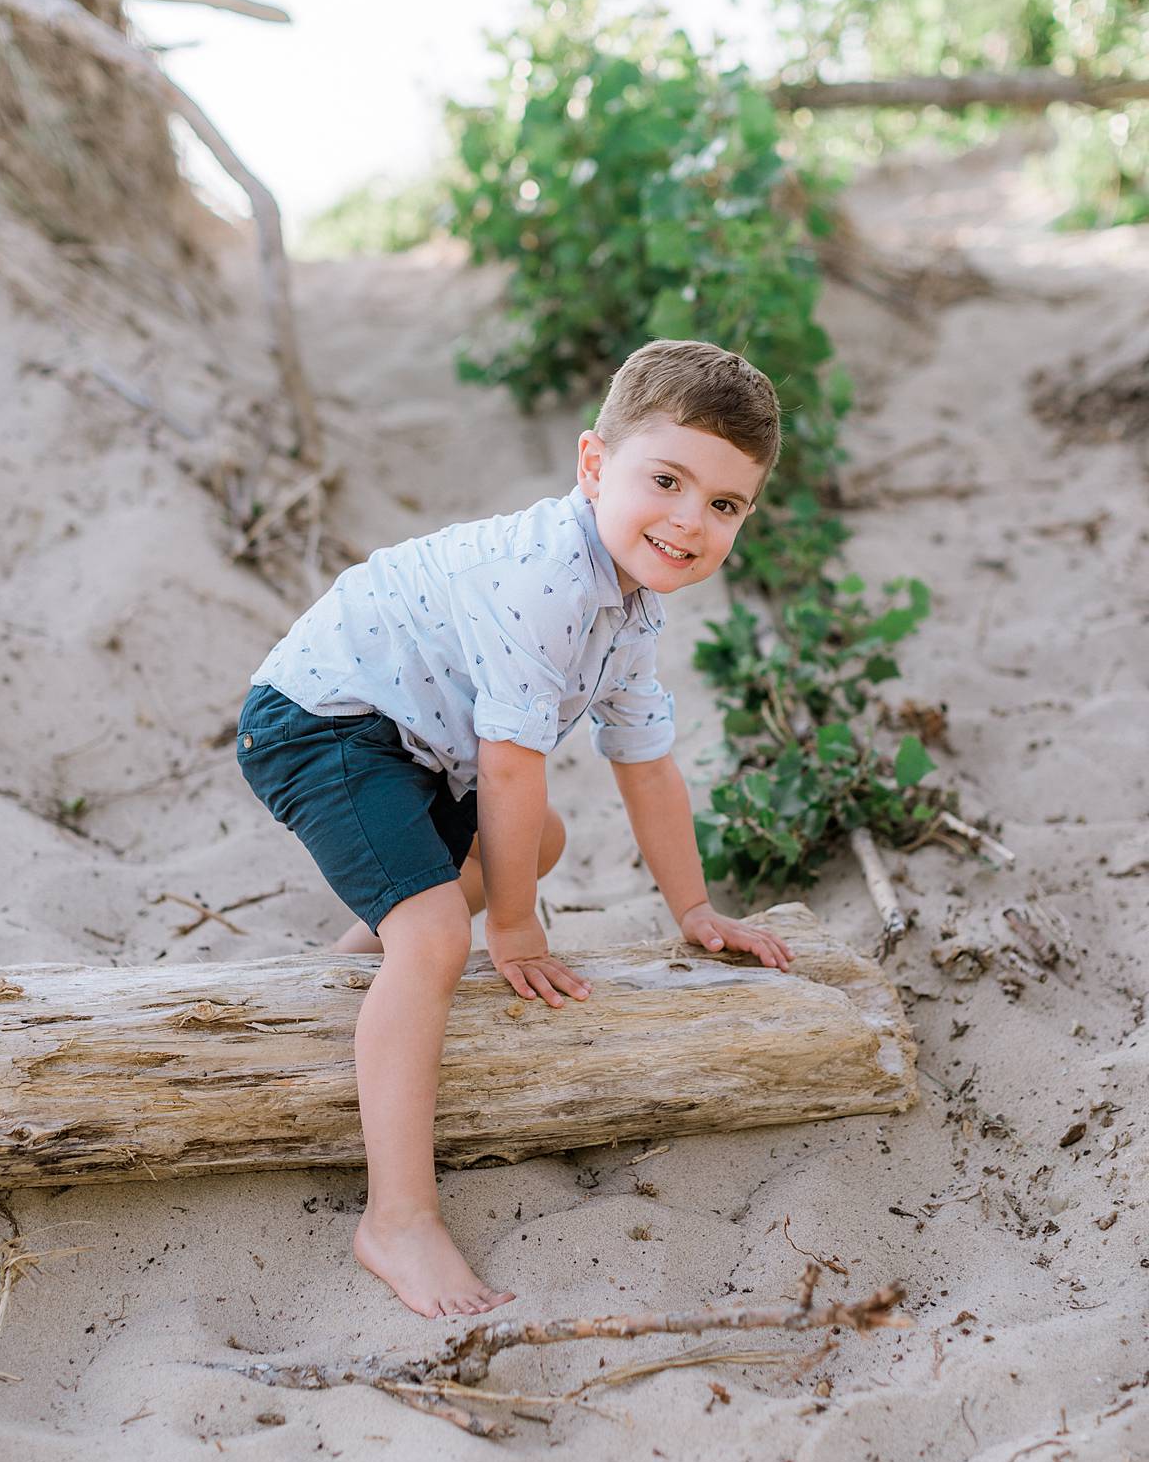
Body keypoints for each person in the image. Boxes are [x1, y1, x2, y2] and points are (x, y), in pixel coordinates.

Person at [236, 337, 796, 1319]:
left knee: (533, 848)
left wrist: (696, 909)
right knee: (447, 930)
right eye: (664, 479)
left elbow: (648, 765)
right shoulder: (548, 576)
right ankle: (398, 1219)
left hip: (409, 743)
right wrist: (515, 931)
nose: (687, 520)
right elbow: (507, 762)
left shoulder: (629, 610)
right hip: (322, 718)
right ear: (593, 464)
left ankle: (355, 971)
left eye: (723, 505)